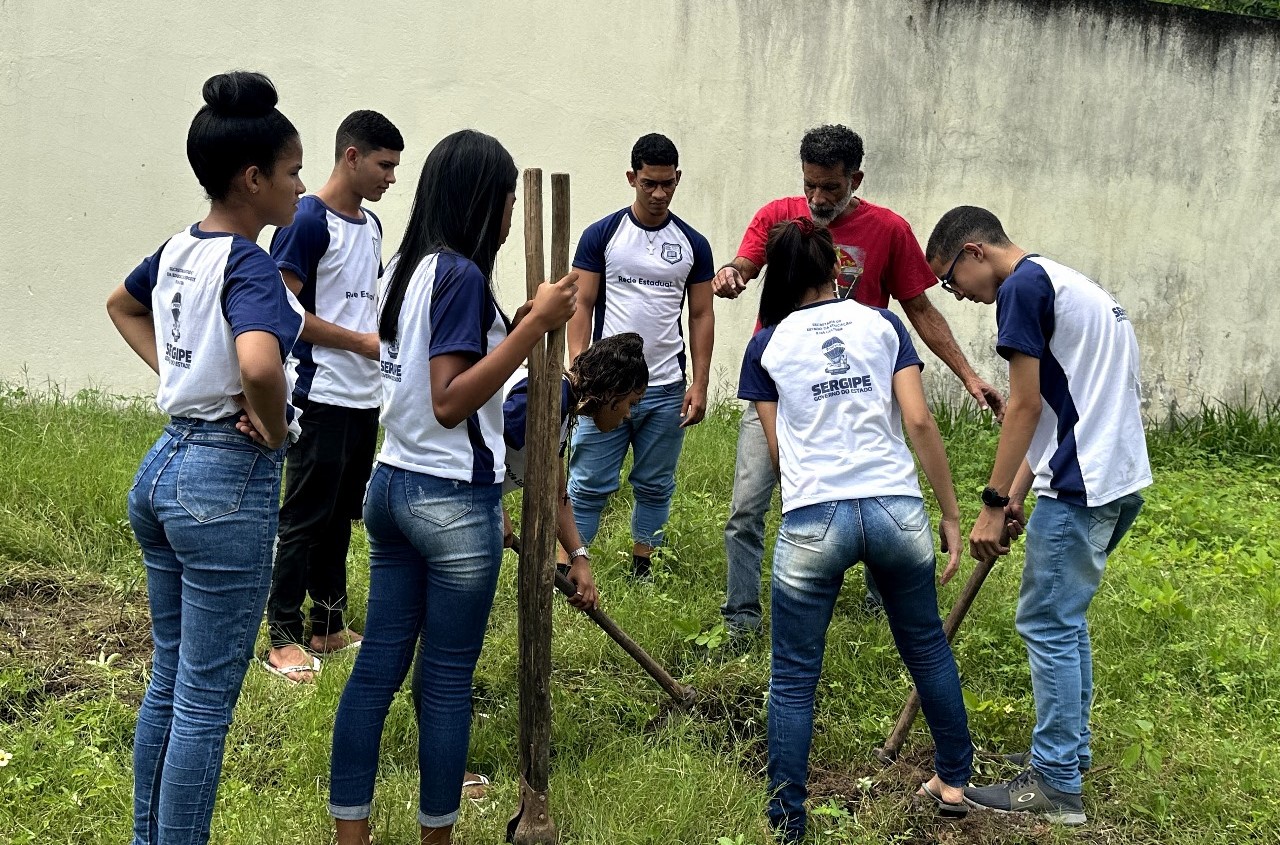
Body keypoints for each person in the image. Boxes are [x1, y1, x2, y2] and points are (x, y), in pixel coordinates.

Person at [327, 129, 578, 845]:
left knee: (376, 669)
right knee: (442, 684)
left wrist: (519, 323)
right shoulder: (462, 276)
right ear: (482, 201)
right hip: (450, 501)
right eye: (506, 201)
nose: (510, 215)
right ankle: (436, 838)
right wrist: (534, 327)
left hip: (391, 485)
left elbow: (428, 378)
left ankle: (351, 836)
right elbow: (449, 399)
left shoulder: (404, 266)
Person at [105, 71, 305, 845]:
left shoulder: (179, 248)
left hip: (163, 469)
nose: (298, 188)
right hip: (222, 482)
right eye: (291, 172)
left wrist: (183, 378)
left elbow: (121, 303)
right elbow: (259, 364)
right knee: (202, 701)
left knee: (169, 679)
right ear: (253, 179)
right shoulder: (249, 263)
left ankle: (148, 836)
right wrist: (274, 427)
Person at [713, 124, 1004, 638]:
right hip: (780, 392)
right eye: (810, 185)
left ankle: (879, 608)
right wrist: (731, 274)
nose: (817, 199)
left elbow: (920, 308)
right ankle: (741, 617)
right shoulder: (778, 215)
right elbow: (746, 261)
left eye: (830, 187)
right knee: (746, 507)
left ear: (856, 179)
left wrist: (969, 375)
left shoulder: (888, 229)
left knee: (873, 487)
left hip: (858, 390)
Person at [738, 218, 973, 842]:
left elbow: (779, 453)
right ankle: (954, 779)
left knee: (793, 678)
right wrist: (950, 514)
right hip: (897, 509)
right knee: (927, 647)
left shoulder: (766, 345)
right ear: (835, 269)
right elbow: (918, 421)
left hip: (814, 517)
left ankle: (788, 822)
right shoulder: (883, 325)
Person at [924, 206, 1151, 825]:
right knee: (1064, 621)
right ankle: (1068, 757)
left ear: (974, 252)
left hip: (1082, 483)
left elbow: (1022, 406)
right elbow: (1057, 406)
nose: (956, 295)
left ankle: (1054, 784)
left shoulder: (1020, 290)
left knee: (1048, 624)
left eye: (950, 280)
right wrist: (1023, 488)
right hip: (1115, 475)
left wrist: (993, 503)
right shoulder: (1061, 280)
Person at [264, 110, 404, 683]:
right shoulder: (306, 220)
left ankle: (327, 624)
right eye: (384, 165)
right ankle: (281, 636)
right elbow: (280, 309)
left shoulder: (371, 226)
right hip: (318, 394)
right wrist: (360, 343)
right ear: (351, 156)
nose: (391, 177)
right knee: (303, 518)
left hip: (364, 397)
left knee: (341, 517)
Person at [565, 133, 715, 579]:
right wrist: (581, 369)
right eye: (650, 183)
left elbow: (701, 314)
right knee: (587, 483)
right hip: (607, 389)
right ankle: (567, 566)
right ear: (632, 178)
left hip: (666, 387)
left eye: (668, 183)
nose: (659, 193)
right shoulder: (602, 235)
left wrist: (700, 383)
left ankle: (645, 569)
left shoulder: (693, 243)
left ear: (678, 178)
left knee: (655, 484)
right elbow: (581, 303)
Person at [500, 331, 649, 605]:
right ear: (612, 391)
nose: (628, 414)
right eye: (630, 403)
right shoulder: (550, 396)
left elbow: (556, 494)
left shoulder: (564, 407)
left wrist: (579, 558)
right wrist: (492, 505)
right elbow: (475, 440)